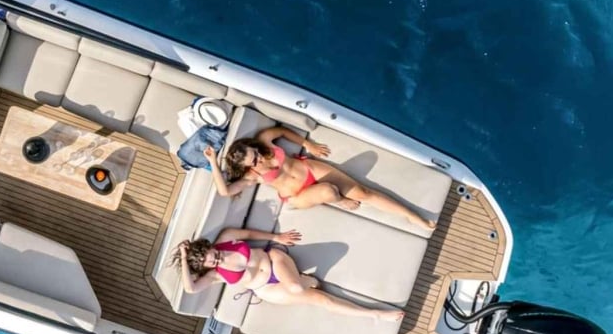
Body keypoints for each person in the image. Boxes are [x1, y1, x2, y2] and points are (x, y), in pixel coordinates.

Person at [203, 125, 435, 231]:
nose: (258, 161)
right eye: (253, 163)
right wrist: (213, 162)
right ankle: (340, 201)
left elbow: (281, 132)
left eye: (255, 155)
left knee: (365, 193)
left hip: (310, 169)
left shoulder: (264, 139)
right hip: (298, 195)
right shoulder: (252, 176)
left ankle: (412, 216)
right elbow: (225, 191)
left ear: (253, 146)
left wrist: (307, 144)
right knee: (329, 191)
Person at [173, 228, 404, 321]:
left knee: (296, 287)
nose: (217, 260)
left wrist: (276, 237)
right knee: (322, 300)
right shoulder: (215, 275)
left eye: (214, 255)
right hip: (266, 288)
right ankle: (375, 314)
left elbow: (249, 234)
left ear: (209, 246)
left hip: (274, 260)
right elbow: (190, 288)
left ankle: (306, 280)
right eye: (212, 262)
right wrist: (183, 258)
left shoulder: (226, 238)